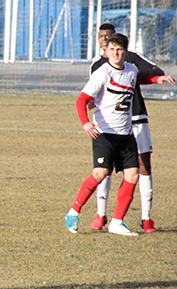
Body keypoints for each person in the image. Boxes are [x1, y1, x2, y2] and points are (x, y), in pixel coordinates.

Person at [65, 33, 174, 236]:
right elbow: (81, 100)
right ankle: (73, 211)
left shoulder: (131, 69)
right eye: (112, 49)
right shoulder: (102, 73)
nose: (115, 53)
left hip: (126, 134)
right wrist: (86, 123)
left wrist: (157, 78)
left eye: (119, 49)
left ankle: (116, 221)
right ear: (107, 51)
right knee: (100, 174)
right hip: (104, 133)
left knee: (132, 176)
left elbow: (141, 77)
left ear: (125, 52)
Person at [89, 24, 168, 233]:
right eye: (102, 37)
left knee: (143, 165)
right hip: (110, 124)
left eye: (109, 36)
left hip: (137, 116)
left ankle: (146, 217)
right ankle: (100, 214)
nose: (105, 40)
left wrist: (145, 77)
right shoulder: (97, 65)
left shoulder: (131, 59)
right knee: (105, 169)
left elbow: (156, 70)